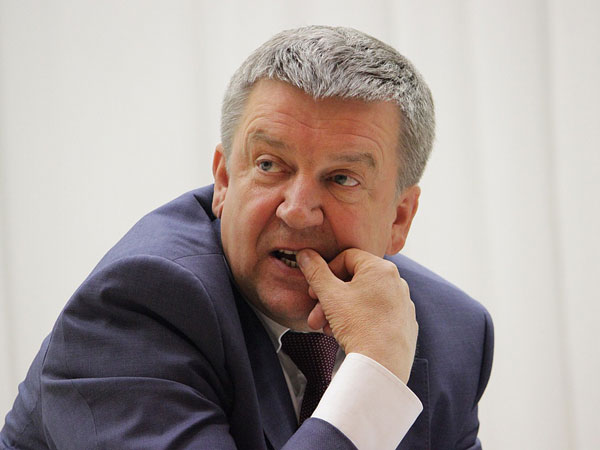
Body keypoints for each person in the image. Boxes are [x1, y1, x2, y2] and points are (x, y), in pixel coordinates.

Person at [1, 26, 493, 449]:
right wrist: (375, 380)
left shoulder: (452, 332)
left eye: (342, 178)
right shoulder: (142, 304)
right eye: (270, 165)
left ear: (400, 218)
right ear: (223, 180)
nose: (296, 211)